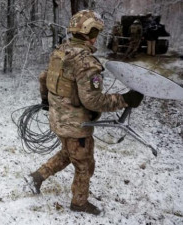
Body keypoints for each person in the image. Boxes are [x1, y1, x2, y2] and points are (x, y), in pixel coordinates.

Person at [25, 10, 144, 215]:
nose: (97, 36)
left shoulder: (61, 51)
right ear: (90, 32)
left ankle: (36, 177)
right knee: (84, 164)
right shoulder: (85, 62)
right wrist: (125, 100)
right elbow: (93, 100)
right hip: (76, 126)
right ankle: (79, 203)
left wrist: (46, 100)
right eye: (96, 31)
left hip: (58, 119)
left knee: (68, 154)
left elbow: (44, 77)